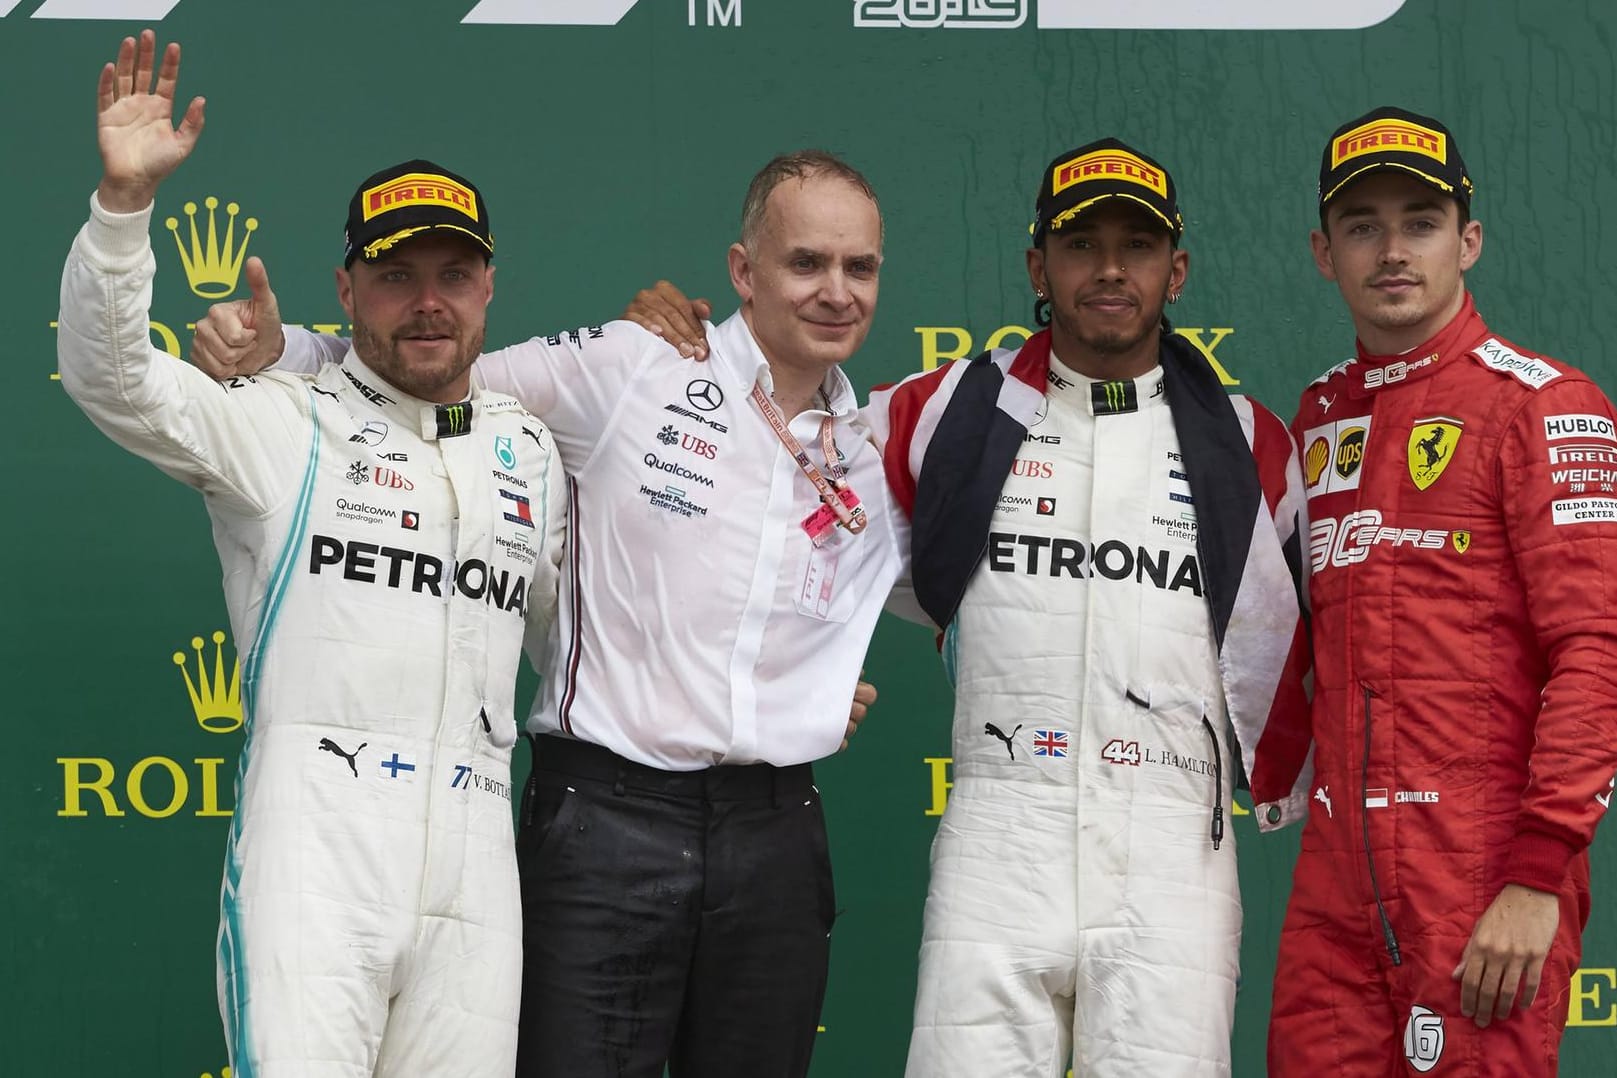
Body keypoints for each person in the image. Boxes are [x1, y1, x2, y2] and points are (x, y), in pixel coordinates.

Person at [192, 151, 908, 1078]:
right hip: (606, 822)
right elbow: (438, 373)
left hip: (774, 830)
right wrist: (279, 352)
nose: (835, 292)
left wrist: (805, 688)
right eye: (806, 263)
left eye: (860, 269)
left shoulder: (876, 445)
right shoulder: (632, 362)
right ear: (742, 271)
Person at [630, 138, 1316, 1078]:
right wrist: (676, 360)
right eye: (1080, 245)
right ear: (1037, 266)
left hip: (1170, 851)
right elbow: (768, 472)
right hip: (1000, 826)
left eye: (1137, 245)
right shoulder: (946, 408)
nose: (1109, 269)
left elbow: (1340, 633)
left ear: (1177, 270)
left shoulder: (1253, 446)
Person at [58, 32, 567, 1078]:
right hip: (315, 857)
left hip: (478, 873)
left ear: (488, 287)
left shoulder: (530, 448)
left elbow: (595, 652)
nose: (428, 300)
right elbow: (113, 378)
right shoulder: (281, 421)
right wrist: (121, 213)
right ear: (345, 288)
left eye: (453, 274)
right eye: (396, 276)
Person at [1270, 106, 1617, 1077]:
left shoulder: (1543, 404)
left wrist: (1539, 874)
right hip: (1335, 886)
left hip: (1481, 874)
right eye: (1362, 225)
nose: (1392, 249)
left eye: (1420, 222)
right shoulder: (1320, 414)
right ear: (1321, 251)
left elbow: (1598, 651)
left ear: (1468, 240)